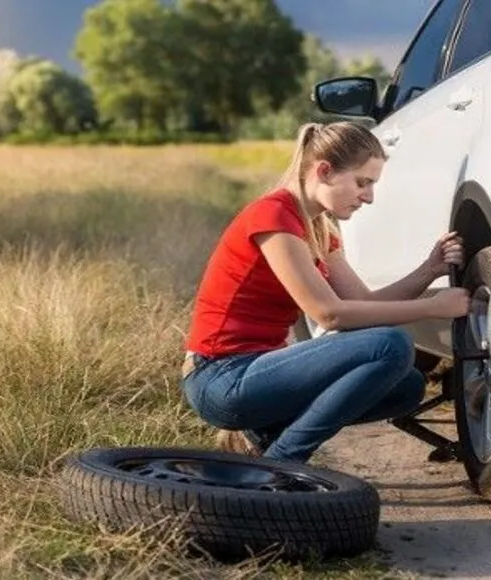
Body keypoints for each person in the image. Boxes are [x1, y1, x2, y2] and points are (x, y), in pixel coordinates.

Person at [181, 121, 470, 464]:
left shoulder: (319, 229)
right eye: (362, 183)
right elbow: (329, 313)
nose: (369, 197)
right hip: (220, 377)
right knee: (391, 345)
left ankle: (263, 441)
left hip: (257, 373)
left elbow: (363, 305)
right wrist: (431, 308)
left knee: (406, 387)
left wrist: (429, 269)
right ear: (324, 171)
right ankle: (284, 462)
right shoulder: (273, 215)